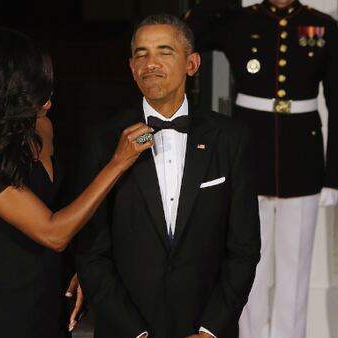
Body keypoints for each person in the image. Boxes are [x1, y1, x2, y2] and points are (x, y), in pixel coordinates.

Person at [0, 27, 153, 338]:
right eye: (37, 89)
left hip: (48, 294)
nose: (48, 99)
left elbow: (69, 209)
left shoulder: (40, 125)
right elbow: (53, 232)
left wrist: (80, 268)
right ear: (8, 88)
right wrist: (118, 163)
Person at [74, 14, 261, 338]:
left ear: (192, 63)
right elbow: (91, 252)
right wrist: (135, 333)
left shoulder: (230, 138)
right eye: (142, 54)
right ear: (131, 68)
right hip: (127, 330)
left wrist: (210, 330)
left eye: (164, 51)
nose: (151, 63)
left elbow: (244, 248)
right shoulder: (102, 141)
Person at [185, 1, 338, 337]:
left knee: (295, 266)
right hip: (249, 154)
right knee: (245, 260)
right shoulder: (239, 20)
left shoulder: (322, 26)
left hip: (302, 158)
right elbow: (191, 33)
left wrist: (333, 175)